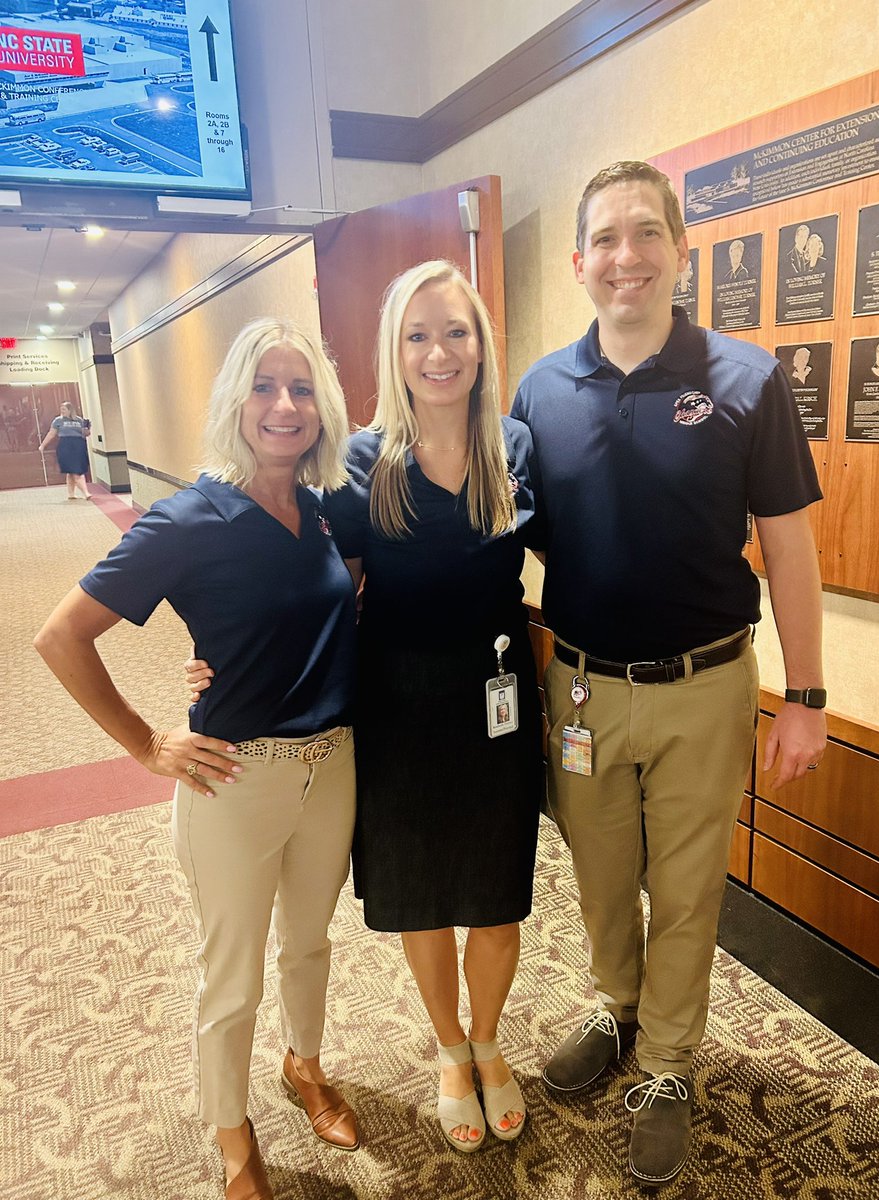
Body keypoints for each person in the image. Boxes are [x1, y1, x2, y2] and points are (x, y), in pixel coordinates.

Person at [511, 161, 826, 1188]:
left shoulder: (747, 380)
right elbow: (519, 536)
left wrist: (807, 698)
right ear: (579, 261)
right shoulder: (539, 392)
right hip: (582, 691)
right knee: (600, 875)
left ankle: (669, 1066)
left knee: (687, 890)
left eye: (648, 232)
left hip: (706, 686)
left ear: (681, 251)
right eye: (606, 238)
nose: (627, 256)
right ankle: (619, 1009)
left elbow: (790, 549)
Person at [191, 261, 542, 1154]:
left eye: (455, 332)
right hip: (397, 711)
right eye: (417, 335)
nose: (438, 352)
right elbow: (321, 586)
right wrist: (223, 659)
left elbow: (571, 555)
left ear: (481, 345)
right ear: (394, 350)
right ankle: (450, 1051)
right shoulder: (359, 463)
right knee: (422, 894)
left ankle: (489, 1041)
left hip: (498, 706)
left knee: (496, 896)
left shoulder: (514, 445)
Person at [34, 319, 361, 1200]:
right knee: (233, 971)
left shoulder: (323, 508)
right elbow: (60, 635)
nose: (284, 405)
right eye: (264, 387)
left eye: (301, 388)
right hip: (234, 778)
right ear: (234, 403)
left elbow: (329, 609)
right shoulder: (188, 518)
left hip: (333, 765)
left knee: (309, 943)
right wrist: (147, 743)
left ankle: (304, 1066)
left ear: (322, 407)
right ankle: (231, 1131)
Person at [39, 400, 91, 499]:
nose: (62, 411)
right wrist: (43, 445)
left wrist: (87, 428)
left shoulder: (79, 420)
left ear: (70, 410)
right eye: (61, 409)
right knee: (74, 470)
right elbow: (51, 433)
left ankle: (71, 494)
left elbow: (86, 434)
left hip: (78, 444)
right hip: (65, 445)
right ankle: (86, 493)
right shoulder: (58, 420)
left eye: (64, 409)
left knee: (74, 471)